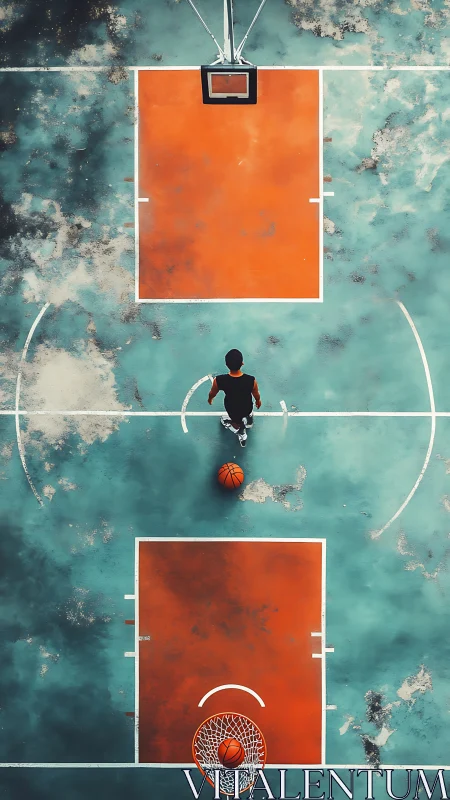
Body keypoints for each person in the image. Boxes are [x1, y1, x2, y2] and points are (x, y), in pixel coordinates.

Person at [208, 349, 261, 447]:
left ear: (226, 365)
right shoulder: (251, 380)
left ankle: (241, 433)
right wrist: (258, 400)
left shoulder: (219, 380)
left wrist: (210, 398)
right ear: (242, 363)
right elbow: (256, 393)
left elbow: (213, 392)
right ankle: (249, 420)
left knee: (236, 422)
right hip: (247, 406)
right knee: (248, 410)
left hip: (232, 409)